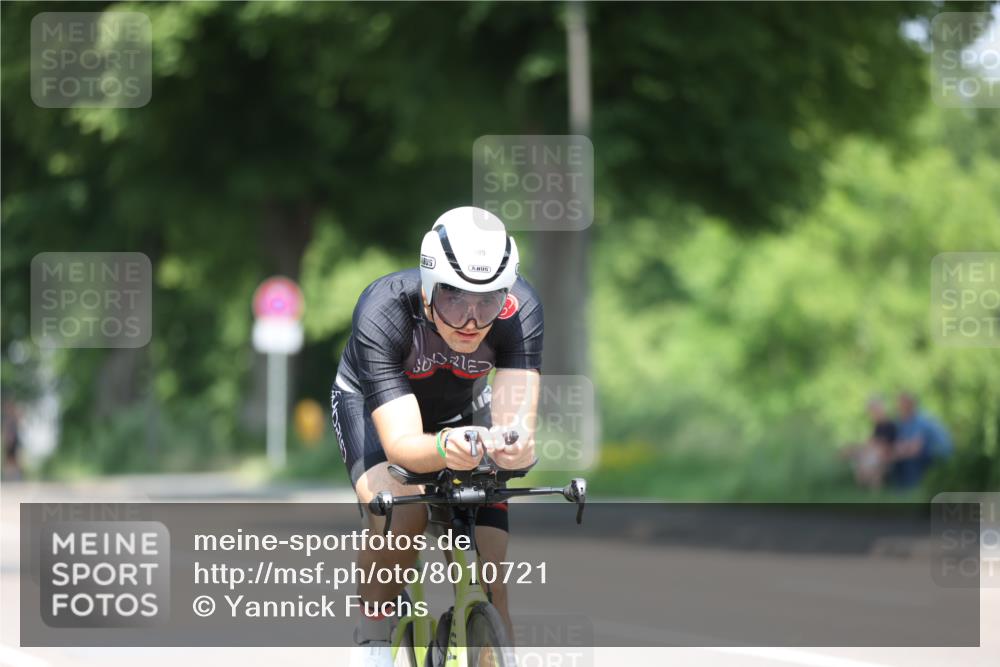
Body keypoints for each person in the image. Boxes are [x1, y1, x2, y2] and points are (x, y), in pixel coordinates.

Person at [331, 206, 542, 667]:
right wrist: (447, 448)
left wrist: (515, 446)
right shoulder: (383, 308)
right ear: (428, 289)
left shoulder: (520, 309)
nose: (470, 320)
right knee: (401, 516)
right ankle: (372, 638)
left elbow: (515, 424)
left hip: (462, 411)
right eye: (454, 300)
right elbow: (403, 444)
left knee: (492, 569)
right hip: (375, 410)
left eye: (487, 301)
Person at [886, 392, 953, 489]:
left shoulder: (921, 419)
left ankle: (912, 486)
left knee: (909, 460)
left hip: (938, 455)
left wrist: (895, 454)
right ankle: (900, 487)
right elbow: (900, 444)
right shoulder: (902, 421)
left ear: (910, 405)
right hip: (922, 453)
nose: (898, 408)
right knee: (897, 461)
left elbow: (915, 449)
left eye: (901, 405)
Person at [844, 396, 897, 490]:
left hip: (885, 456)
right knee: (857, 459)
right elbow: (870, 442)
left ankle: (873, 494)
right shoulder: (877, 426)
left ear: (881, 409)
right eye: (872, 411)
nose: (873, 414)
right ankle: (862, 492)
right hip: (875, 454)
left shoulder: (890, 425)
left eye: (875, 410)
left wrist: (869, 449)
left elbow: (888, 446)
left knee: (869, 464)